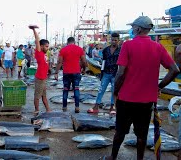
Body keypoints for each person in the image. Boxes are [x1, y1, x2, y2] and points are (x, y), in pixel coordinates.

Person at [103, 16, 179, 160]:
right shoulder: (158, 47)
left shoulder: (127, 45)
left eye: (133, 27)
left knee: (120, 131)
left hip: (126, 98)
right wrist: (159, 86)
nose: (132, 29)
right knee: (142, 135)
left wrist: (115, 91)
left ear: (138, 29)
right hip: (146, 101)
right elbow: (174, 70)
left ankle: (113, 157)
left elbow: (120, 73)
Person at [87, 33, 121, 114]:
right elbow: (104, 62)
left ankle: (113, 107)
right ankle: (96, 106)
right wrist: (101, 74)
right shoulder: (106, 50)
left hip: (115, 74)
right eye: (112, 40)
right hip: (106, 73)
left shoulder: (121, 50)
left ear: (118, 41)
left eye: (115, 40)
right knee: (101, 89)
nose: (114, 42)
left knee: (114, 91)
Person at [55, 37, 87, 113]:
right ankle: (77, 107)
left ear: (67, 42)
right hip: (76, 72)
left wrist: (56, 72)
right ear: (74, 42)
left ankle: (64, 107)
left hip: (66, 73)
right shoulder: (79, 49)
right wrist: (84, 69)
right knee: (76, 89)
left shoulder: (63, 50)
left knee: (65, 90)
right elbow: (84, 61)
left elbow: (59, 62)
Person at [29, 25, 51, 115]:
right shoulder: (39, 53)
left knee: (44, 95)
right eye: (46, 46)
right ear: (41, 46)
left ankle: (48, 109)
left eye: (48, 46)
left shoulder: (45, 54)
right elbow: (37, 40)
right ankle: (36, 110)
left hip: (44, 78)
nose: (47, 48)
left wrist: (48, 71)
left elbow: (46, 64)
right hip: (40, 78)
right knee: (37, 96)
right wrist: (34, 30)